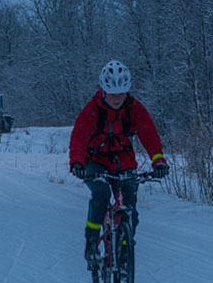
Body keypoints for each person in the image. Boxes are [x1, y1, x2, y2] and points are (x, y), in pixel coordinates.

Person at [69, 60, 169, 264]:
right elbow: (79, 137)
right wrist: (77, 163)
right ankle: (91, 242)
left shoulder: (134, 109)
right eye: (112, 94)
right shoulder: (92, 110)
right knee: (101, 195)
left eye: (120, 94)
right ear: (104, 91)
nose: (116, 99)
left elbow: (149, 135)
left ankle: (124, 247)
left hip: (123, 162)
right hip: (95, 162)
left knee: (130, 207)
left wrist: (158, 161)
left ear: (127, 92)